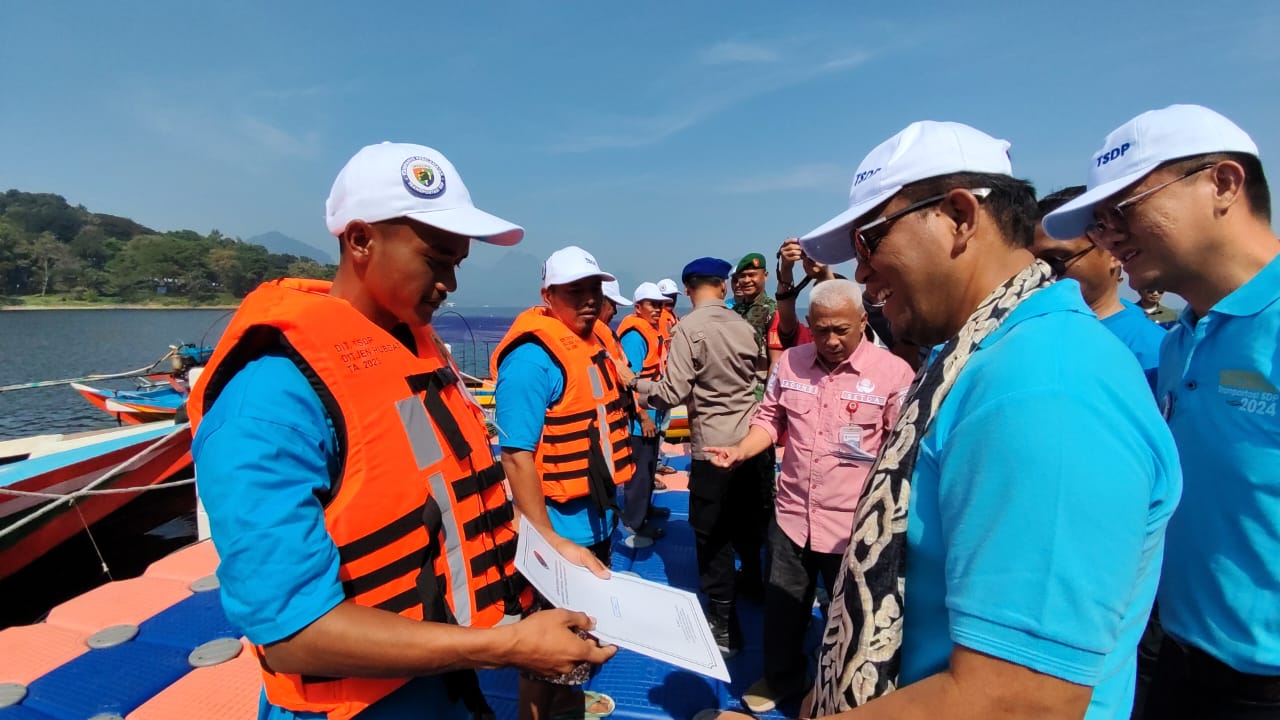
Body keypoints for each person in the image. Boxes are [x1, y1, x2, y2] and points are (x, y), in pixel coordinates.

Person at [190, 142, 615, 720]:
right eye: (436, 260)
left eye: (457, 264)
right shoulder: (268, 399)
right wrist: (505, 647)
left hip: (443, 680)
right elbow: (292, 631)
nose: (450, 283)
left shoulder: (418, 357)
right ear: (360, 240)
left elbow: (456, 502)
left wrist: (548, 546)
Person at [779, 120, 1180, 720]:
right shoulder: (977, 356)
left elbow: (1022, 700)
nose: (861, 272)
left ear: (961, 216)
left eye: (870, 240)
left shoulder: (1045, 384)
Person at [1043, 103, 1280, 719]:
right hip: (1176, 662)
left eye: (1124, 209)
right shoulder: (1180, 342)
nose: (1109, 235)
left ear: (1223, 184)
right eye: (1099, 222)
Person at [704, 279, 914, 714]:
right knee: (783, 608)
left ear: (862, 321)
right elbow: (770, 418)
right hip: (792, 515)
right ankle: (782, 677)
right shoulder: (791, 363)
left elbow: (902, 449)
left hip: (854, 525)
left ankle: (841, 690)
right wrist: (740, 450)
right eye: (821, 330)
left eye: (841, 330)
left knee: (854, 616)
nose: (831, 340)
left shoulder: (893, 373)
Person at [491, 245, 635, 720]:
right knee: (544, 647)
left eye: (594, 288)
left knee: (581, 633)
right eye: (575, 290)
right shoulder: (531, 360)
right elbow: (516, 455)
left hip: (596, 521)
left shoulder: (594, 344)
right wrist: (544, 538)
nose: (589, 299)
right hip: (557, 530)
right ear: (548, 295)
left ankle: (570, 705)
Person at [630, 257, 765, 657]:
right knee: (750, 523)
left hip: (713, 450)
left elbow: (672, 392)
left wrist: (634, 385)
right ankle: (754, 584)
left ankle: (723, 622)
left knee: (712, 534)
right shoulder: (744, 326)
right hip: (752, 443)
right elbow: (762, 378)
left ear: (689, 290)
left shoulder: (688, 329)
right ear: (722, 286)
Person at [1032, 186, 1167, 392]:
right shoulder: (1026, 336)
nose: (1040, 273)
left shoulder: (1154, 352)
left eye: (1055, 260)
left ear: (1112, 253)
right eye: (1031, 264)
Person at [617, 281, 673, 542]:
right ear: (638, 307)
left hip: (654, 414)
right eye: (653, 304)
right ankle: (635, 521)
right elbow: (629, 381)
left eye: (661, 304)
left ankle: (645, 509)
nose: (658, 309)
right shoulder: (635, 337)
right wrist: (643, 416)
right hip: (640, 421)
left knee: (649, 467)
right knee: (639, 472)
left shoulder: (653, 332)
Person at [731, 252, 777, 400]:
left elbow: (776, 360)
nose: (746, 280)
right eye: (742, 276)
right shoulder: (734, 312)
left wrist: (770, 398)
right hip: (734, 389)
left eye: (752, 275)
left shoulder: (772, 310)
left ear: (765, 276)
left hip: (758, 392)